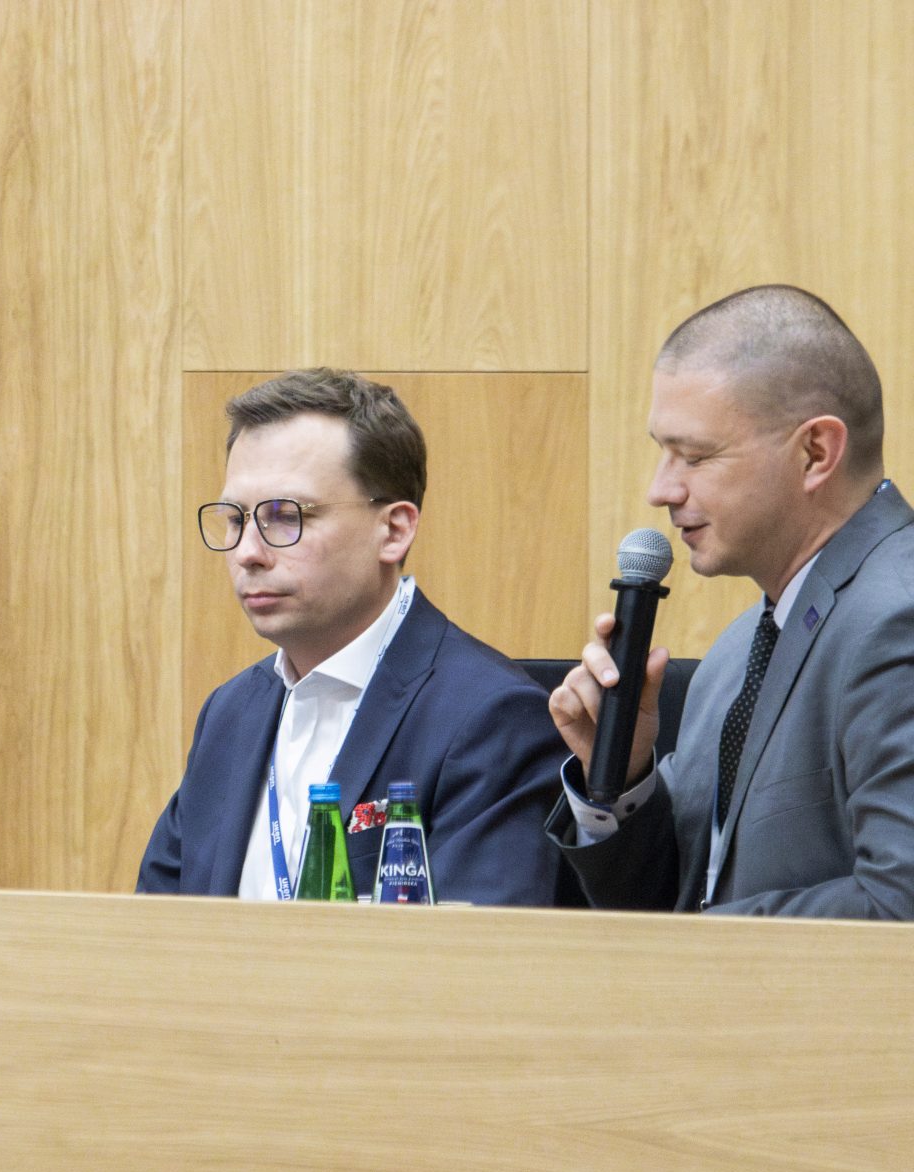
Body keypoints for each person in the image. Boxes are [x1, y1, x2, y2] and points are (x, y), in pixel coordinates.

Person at [548, 286, 914, 919]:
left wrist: (703, 943)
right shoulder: (737, 650)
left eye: (695, 456)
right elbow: (675, 899)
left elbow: (899, 904)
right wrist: (624, 780)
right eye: (662, 453)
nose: (660, 490)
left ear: (815, 453)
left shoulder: (897, 620)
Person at [138, 369, 566, 904]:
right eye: (235, 518)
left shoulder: (491, 718)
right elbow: (153, 928)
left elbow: (475, 951)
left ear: (394, 530)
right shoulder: (229, 714)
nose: (247, 552)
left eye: (284, 516)